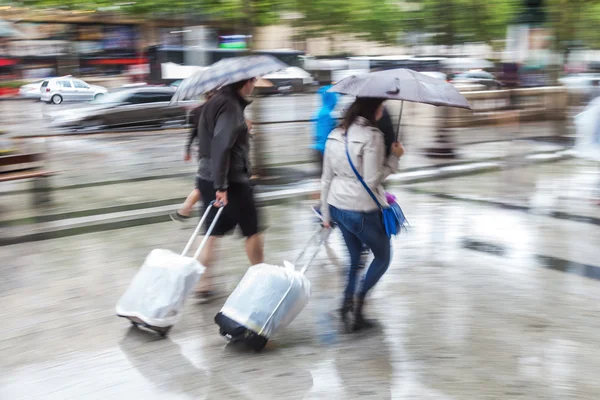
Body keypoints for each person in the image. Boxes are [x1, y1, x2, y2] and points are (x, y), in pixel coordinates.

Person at [320, 97, 405, 332]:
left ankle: (346, 303)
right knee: (383, 257)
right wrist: (395, 157)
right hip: (360, 209)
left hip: (337, 206)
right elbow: (372, 179)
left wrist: (326, 214)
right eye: (381, 107)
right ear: (374, 110)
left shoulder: (335, 134)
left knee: (355, 258)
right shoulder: (372, 136)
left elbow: (326, 178)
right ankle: (358, 302)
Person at [194, 78, 264, 300]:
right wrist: (222, 186)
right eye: (253, 81)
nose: (254, 85)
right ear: (246, 83)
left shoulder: (214, 102)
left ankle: (203, 283)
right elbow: (222, 145)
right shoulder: (231, 104)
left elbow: (218, 137)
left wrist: (242, 128)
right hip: (230, 181)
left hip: (205, 176)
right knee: (252, 229)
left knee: (211, 231)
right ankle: (262, 276)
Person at [170, 91, 216, 223]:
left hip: (204, 153)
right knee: (207, 184)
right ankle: (186, 209)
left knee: (208, 183)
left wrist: (187, 150)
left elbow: (193, 132)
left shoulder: (197, 111)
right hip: (213, 155)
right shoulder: (216, 112)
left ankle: (186, 210)